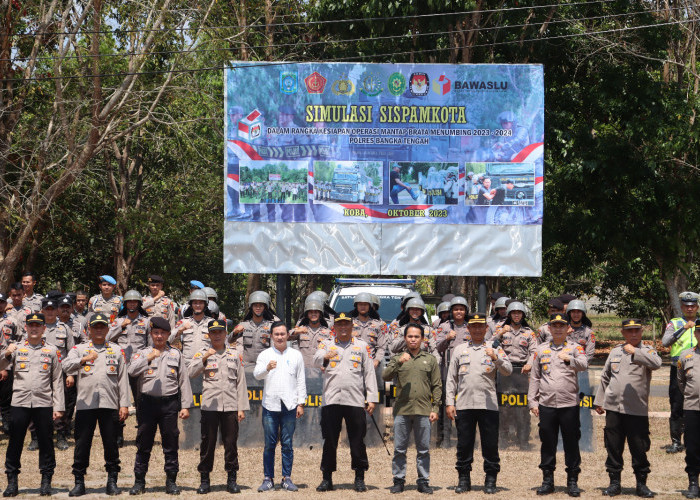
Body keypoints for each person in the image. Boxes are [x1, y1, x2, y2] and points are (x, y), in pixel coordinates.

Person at [63, 313, 130, 497]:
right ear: (89, 329)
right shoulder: (79, 348)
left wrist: (124, 404)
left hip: (109, 404)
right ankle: (79, 481)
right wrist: (84, 360)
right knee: (82, 443)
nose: (99, 330)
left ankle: (112, 480)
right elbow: (66, 366)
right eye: (95, 327)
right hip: (86, 404)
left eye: (102, 326)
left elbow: (123, 379)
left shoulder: (116, 350)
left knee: (111, 443)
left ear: (108, 329)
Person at [445, 312, 512, 494]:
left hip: (487, 405)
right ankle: (464, 479)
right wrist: (450, 403)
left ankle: (490, 480)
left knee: (490, 444)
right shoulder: (459, 349)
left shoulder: (494, 348)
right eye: (473, 326)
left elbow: (508, 370)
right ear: (468, 328)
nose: (476, 329)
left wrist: (496, 358)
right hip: (464, 405)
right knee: (464, 444)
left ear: (486, 328)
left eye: (480, 326)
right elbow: (451, 379)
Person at [593, 319, 660, 498]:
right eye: (629, 331)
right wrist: (599, 400)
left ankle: (641, 484)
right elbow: (605, 377)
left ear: (642, 332)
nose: (633, 334)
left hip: (636, 409)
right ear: (623, 333)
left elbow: (656, 363)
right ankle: (615, 483)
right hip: (614, 408)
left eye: (636, 330)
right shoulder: (615, 352)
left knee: (639, 447)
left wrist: (636, 352)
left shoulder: (647, 350)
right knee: (613, 447)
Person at [0, 313, 64, 497]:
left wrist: (59, 407)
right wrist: (7, 353)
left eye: (38, 325)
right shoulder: (17, 348)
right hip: (19, 402)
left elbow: (57, 380)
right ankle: (12, 481)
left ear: (44, 328)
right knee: (15, 442)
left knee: (46, 442)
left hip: (43, 402)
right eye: (31, 325)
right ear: (26, 328)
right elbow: (1, 363)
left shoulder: (51, 351)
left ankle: (46, 480)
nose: (34, 328)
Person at [313, 312, 379, 492]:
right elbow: (315, 359)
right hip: (331, 400)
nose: (343, 327)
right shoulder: (326, 344)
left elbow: (369, 373)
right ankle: (327, 478)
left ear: (352, 326)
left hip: (355, 400)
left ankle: (359, 477)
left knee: (357, 440)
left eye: (346, 324)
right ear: (334, 327)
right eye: (339, 324)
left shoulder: (362, 346)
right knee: (330, 441)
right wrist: (326, 356)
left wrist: (372, 398)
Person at [128, 317, 193, 495]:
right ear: (151, 334)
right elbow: (131, 371)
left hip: (169, 404)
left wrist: (186, 406)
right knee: (144, 443)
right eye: (156, 333)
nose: (159, 336)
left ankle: (171, 481)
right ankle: (139, 482)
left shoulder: (176, 354)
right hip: (147, 403)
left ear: (167, 335)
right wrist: (148, 358)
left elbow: (183, 382)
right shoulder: (142, 353)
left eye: (163, 333)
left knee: (170, 442)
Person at [529, 313, 588, 497]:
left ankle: (572, 481)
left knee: (571, 442)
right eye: (554, 326)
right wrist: (533, 401)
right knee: (548, 442)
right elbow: (535, 377)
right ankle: (548, 480)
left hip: (568, 403)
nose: (558, 329)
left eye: (561, 326)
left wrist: (569, 359)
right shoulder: (540, 349)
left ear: (567, 328)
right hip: (546, 404)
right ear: (549, 328)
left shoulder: (575, 348)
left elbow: (584, 365)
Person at [189, 319, 249, 494]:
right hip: (209, 407)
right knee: (208, 444)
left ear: (225, 334)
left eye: (220, 332)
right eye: (213, 333)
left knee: (231, 444)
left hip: (230, 406)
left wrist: (241, 407)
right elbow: (190, 372)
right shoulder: (202, 353)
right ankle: (205, 479)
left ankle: (231, 479)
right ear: (209, 335)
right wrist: (205, 358)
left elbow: (240, 382)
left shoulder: (234, 353)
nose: (217, 335)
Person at [382, 323, 441, 494]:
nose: (413, 339)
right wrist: (398, 363)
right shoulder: (398, 357)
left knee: (423, 449)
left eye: (416, 336)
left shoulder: (430, 360)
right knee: (399, 448)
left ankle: (423, 481)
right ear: (405, 338)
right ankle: (398, 480)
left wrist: (435, 408)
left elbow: (437, 385)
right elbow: (385, 375)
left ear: (422, 339)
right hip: (402, 410)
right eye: (410, 336)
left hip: (424, 410)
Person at [253, 322, 306, 492]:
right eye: (276, 334)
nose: (280, 337)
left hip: (290, 405)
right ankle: (268, 478)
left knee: (287, 444)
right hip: (270, 405)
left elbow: (300, 380)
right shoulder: (265, 355)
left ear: (288, 335)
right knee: (269, 444)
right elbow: (257, 375)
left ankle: (286, 478)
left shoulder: (296, 355)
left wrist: (301, 403)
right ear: (271, 336)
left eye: (283, 334)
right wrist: (267, 368)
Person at [494, 301, 536, 450]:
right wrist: (500, 334)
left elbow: (534, 352)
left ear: (523, 315)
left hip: (522, 373)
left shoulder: (529, 332)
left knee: (523, 408)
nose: (516, 315)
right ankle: (503, 440)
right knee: (504, 407)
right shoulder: (502, 330)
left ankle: (523, 440)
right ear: (509, 314)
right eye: (513, 313)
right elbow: (491, 346)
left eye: (519, 313)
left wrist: (530, 363)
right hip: (505, 372)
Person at [663, 291, 699, 454]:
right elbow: (665, 342)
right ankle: (676, 441)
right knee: (677, 404)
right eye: (686, 306)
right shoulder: (675, 323)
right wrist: (684, 329)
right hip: (678, 367)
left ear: (697, 307)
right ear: (682, 307)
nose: (690, 309)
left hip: (697, 367)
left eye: (693, 306)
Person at [41, 297, 75, 451]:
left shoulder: (64, 328)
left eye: (52, 309)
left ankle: (61, 435)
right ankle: (37, 437)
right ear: (42, 311)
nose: (49, 312)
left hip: (60, 372)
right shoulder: (36, 326)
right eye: (46, 309)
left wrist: (70, 374)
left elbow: (71, 353)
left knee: (60, 402)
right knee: (38, 404)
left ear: (57, 311)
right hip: (40, 372)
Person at [679, 319, 700, 499]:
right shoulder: (686, 356)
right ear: (696, 334)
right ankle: (693, 481)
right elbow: (681, 382)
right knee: (692, 447)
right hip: (693, 407)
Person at [230, 291, 276, 365]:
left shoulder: (271, 326)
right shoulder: (243, 325)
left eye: (261, 306)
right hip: (246, 366)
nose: (258, 308)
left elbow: (274, 348)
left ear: (265, 308)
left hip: (264, 366)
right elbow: (229, 340)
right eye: (255, 305)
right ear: (251, 307)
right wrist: (235, 332)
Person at [169, 289, 213, 362]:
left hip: (206, 363)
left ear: (205, 305)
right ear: (191, 305)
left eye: (201, 303)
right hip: (187, 364)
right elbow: (168, 340)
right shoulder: (183, 322)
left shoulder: (211, 323)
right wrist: (180, 331)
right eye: (195, 303)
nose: (198, 305)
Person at [289, 297, 332, 368]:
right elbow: (285, 337)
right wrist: (296, 331)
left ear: (320, 314)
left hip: (320, 372)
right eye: (311, 312)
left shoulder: (327, 332)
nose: (313, 314)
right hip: (304, 370)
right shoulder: (301, 330)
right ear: (307, 315)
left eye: (316, 312)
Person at [350, 292, 388, 370]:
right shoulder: (349, 323)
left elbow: (381, 346)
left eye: (365, 304)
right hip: (352, 363)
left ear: (370, 306)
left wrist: (377, 360)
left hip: (371, 364)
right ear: (356, 306)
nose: (362, 307)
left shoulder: (378, 325)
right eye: (360, 304)